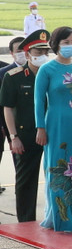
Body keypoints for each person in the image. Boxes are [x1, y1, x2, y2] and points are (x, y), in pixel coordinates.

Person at [34, 26, 72, 232]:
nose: (71, 46)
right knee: (58, 168)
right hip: (56, 124)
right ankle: (60, 217)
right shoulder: (47, 69)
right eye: (65, 42)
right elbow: (38, 101)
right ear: (56, 44)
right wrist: (40, 127)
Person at [1, 30, 50, 222]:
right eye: (38, 53)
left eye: (45, 52)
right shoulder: (14, 77)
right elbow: (8, 109)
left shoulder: (52, 73)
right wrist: (14, 137)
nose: (42, 56)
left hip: (53, 134)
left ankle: (54, 217)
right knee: (26, 181)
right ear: (28, 54)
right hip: (26, 136)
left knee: (55, 176)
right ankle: (26, 221)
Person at [0, 36, 26, 184]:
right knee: (20, 164)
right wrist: (9, 132)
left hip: (34, 127)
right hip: (13, 126)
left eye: (25, 49)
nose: (23, 53)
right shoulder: (4, 73)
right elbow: (4, 106)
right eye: (19, 50)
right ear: (12, 53)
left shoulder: (39, 70)